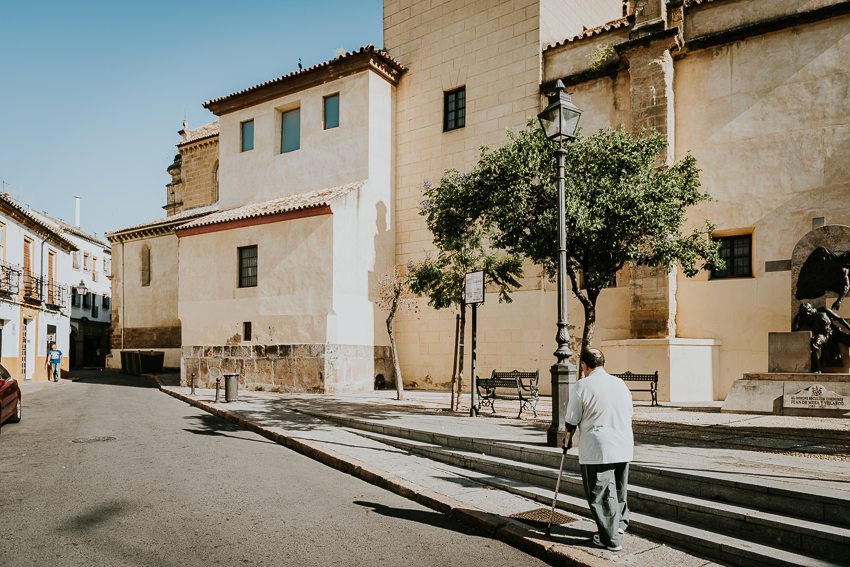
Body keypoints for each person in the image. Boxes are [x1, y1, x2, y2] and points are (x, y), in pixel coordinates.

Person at [562, 348, 634, 552]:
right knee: (619, 487)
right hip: (623, 443)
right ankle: (619, 525)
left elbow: (572, 419)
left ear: (584, 365)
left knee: (600, 492)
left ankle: (609, 540)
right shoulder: (620, 383)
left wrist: (566, 440)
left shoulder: (582, 385)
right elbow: (629, 412)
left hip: (598, 446)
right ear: (604, 364)